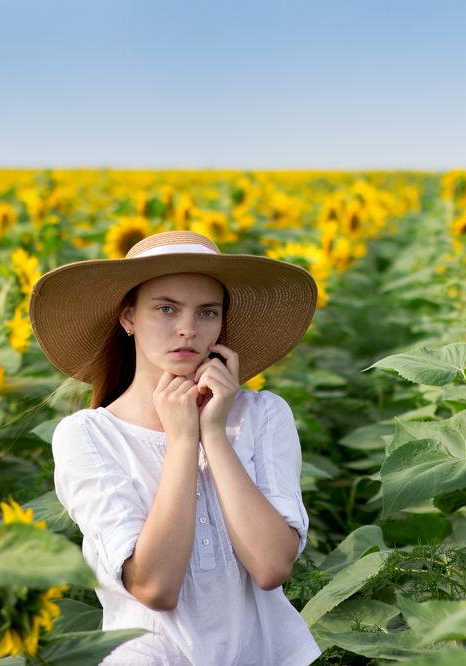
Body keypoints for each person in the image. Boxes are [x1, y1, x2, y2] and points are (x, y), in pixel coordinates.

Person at [28, 230, 322, 665]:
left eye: (207, 312)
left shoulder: (262, 415)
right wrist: (184, 439)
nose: (188, 329)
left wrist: (215, 434)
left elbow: (271, 567)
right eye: (166, 308)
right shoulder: (87, 435)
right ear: (128, 318)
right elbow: (155, 587)